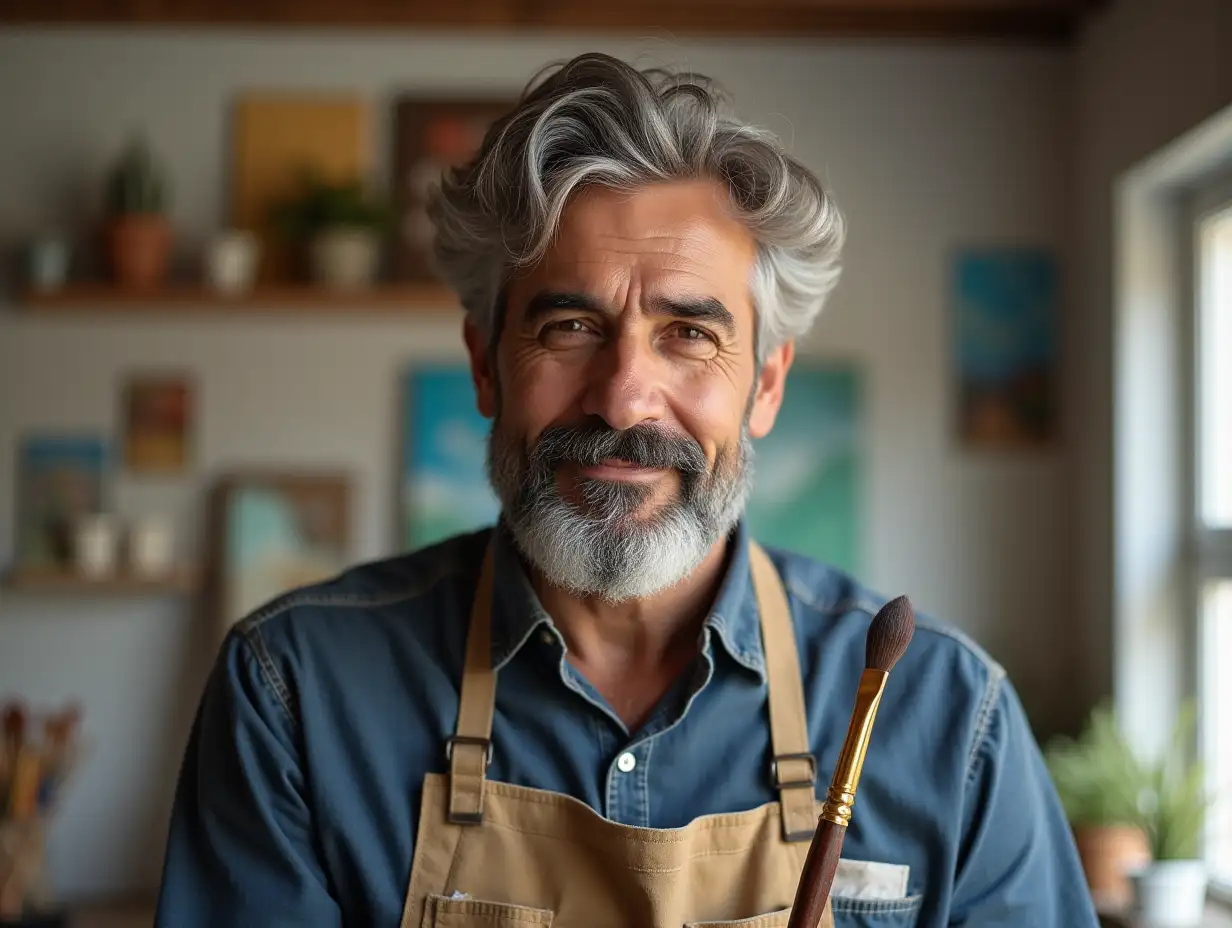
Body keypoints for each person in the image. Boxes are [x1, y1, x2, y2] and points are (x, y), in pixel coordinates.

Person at [154, 52, 1099, 927]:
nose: (623, 400)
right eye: (570, 325)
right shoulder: (296, 695)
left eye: (689, 334)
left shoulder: (945, 715)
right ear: (486, 366)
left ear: (765, 384)